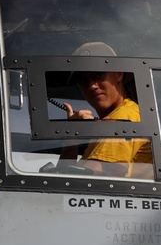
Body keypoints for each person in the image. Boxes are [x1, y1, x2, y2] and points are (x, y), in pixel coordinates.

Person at [61, 42, 153, 177]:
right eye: (84, 81)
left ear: (118, 74)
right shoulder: (108, 122)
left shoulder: (124, 114)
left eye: (98, 75)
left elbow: (92, 173)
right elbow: (63, 179)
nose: (92, 86)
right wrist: (71, 140)